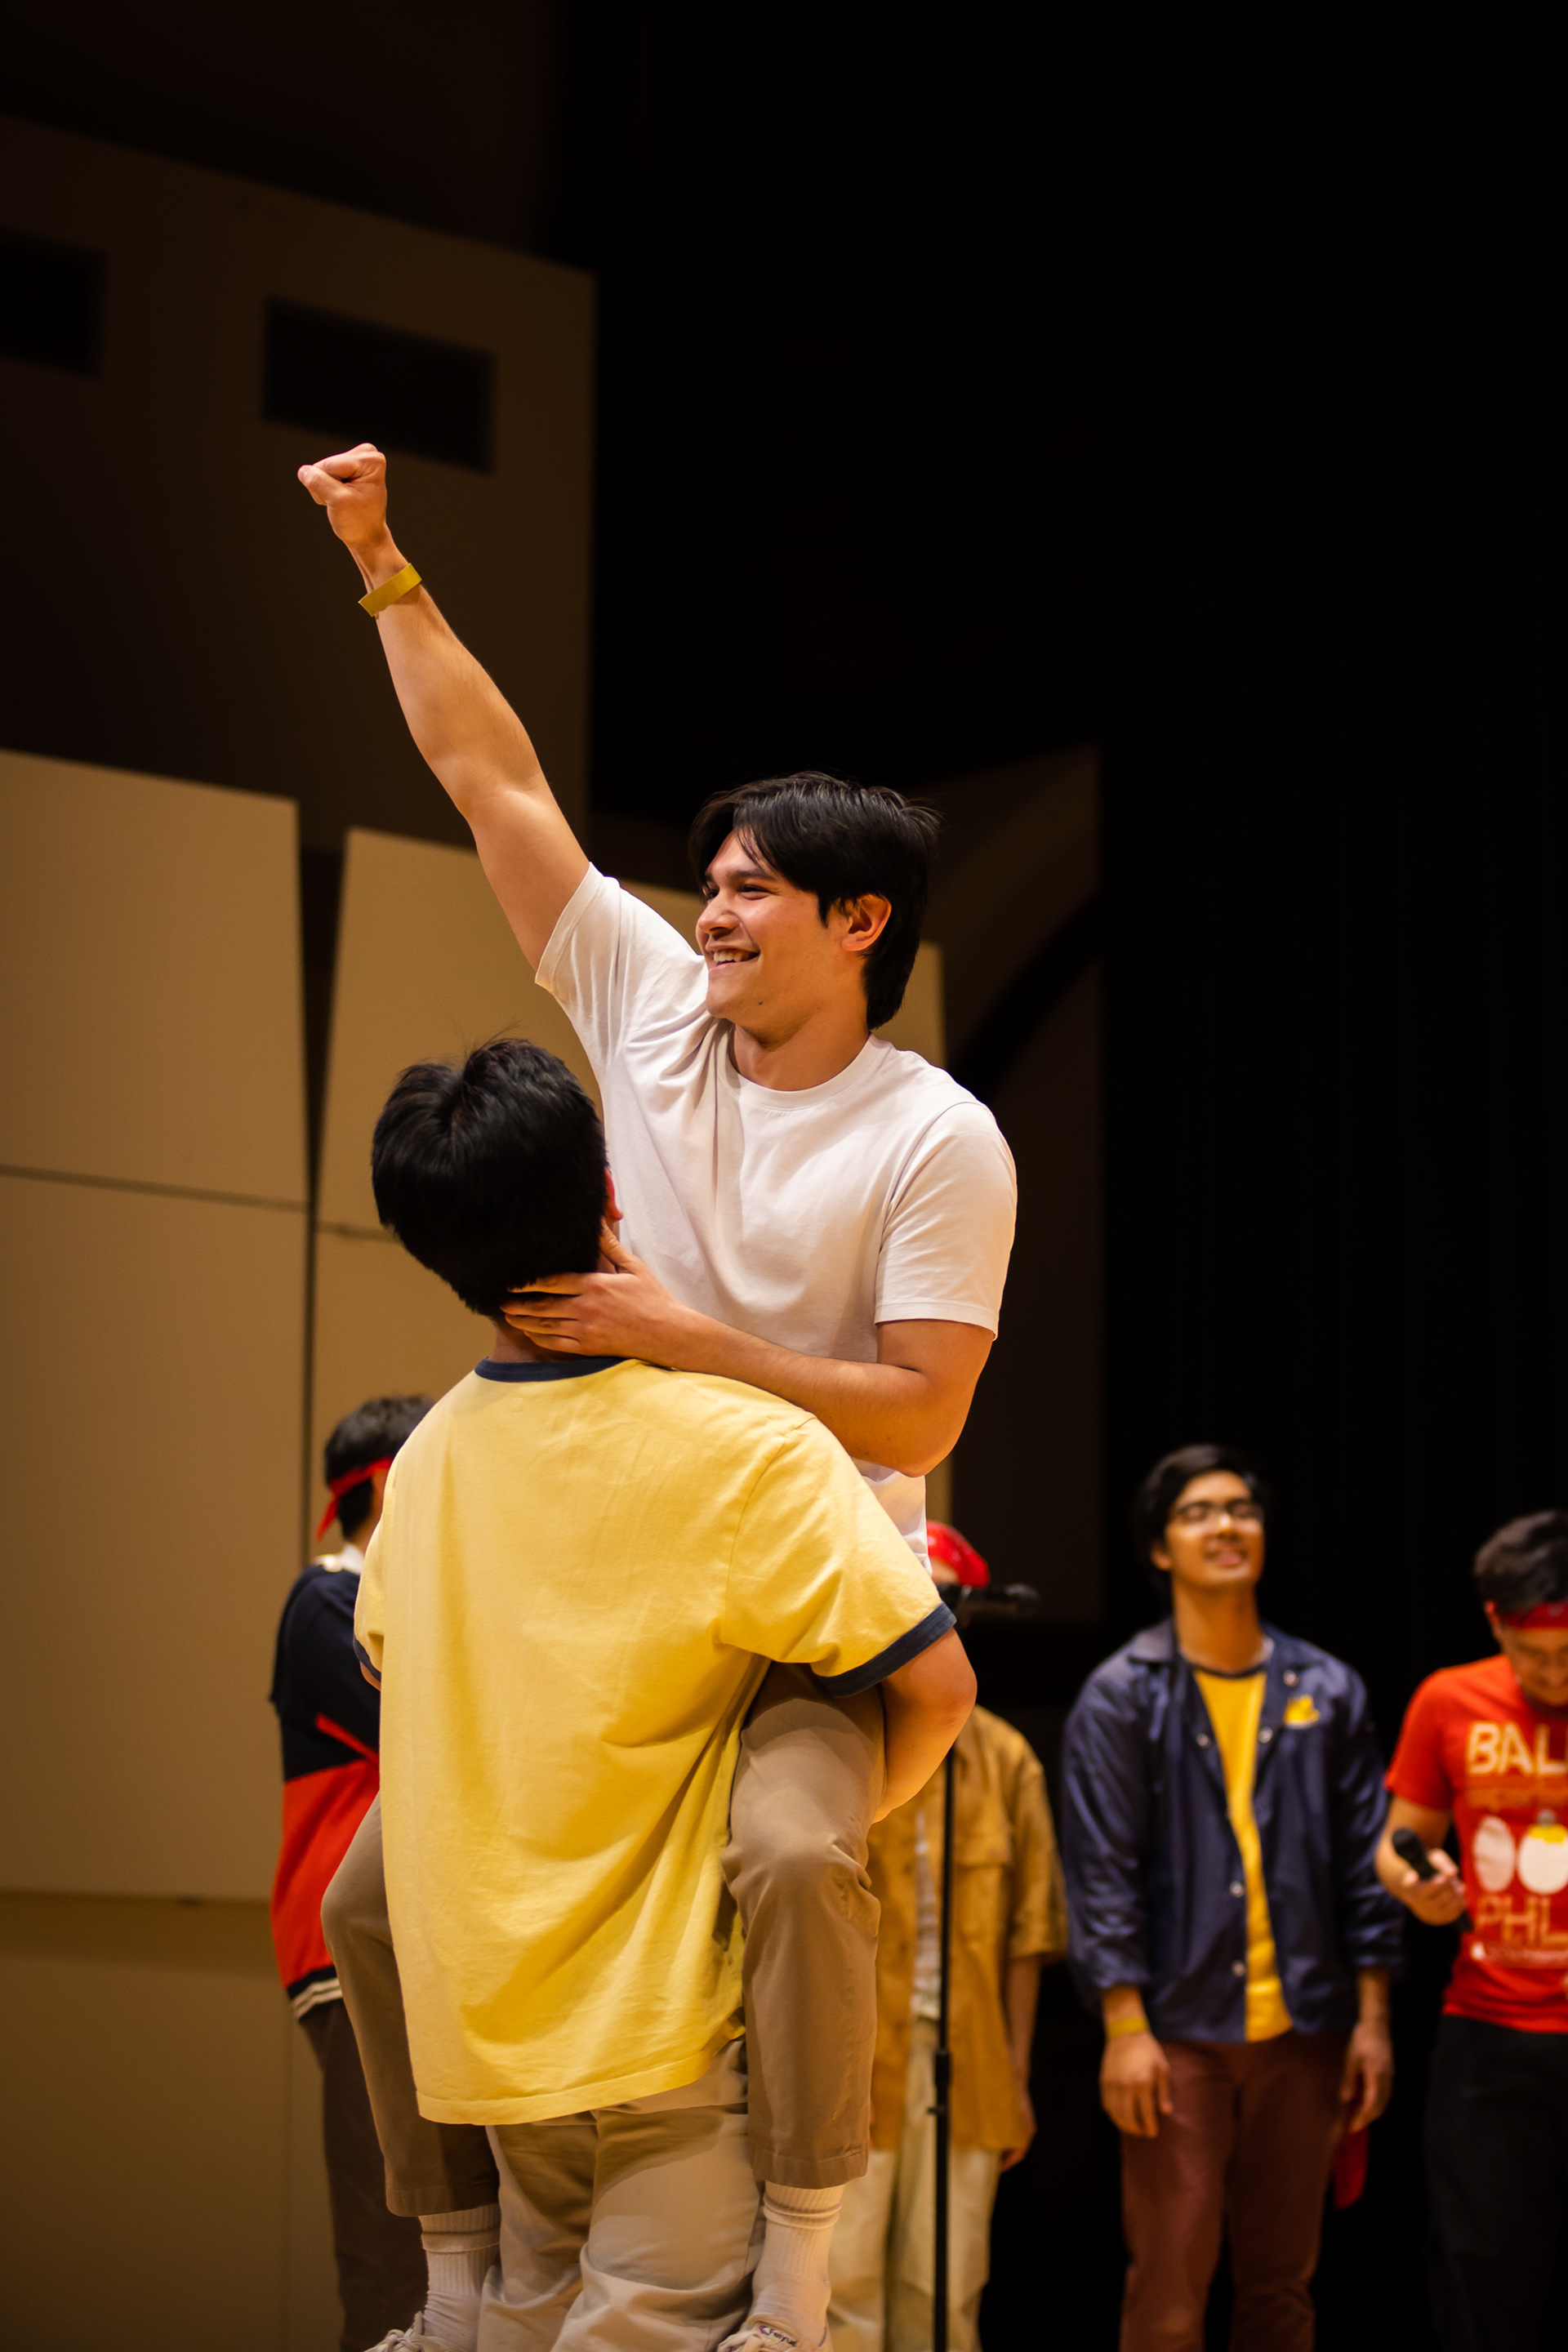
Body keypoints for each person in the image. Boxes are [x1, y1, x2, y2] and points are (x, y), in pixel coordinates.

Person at [298, 443, 1017, 2352]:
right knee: (367, 1897)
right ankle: (452, 2265)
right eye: (707, 883)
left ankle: (798, 2246)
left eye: (752, 892)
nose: (706, 914)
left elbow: (919, 1423)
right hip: (589, 1560)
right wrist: (384, 562)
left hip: (794, 1599)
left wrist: (681, 1336)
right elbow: (490, 775)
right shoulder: (645, 1002)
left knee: (788, 1851)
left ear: (858, 925)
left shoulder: (938, 1138)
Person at [354, 1036, 976, 2350]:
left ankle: (448, 2280)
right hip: (672, 2044)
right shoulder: (747, 1447)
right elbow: (938, 1689)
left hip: (498, 2049)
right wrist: (841, 1822)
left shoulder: (423, 1467)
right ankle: (797, 2279)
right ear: (612, 1200)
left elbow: (400, 1682)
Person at [1060, 1443, 1403, 2352]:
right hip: (1177, 2036)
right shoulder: (1121, 1696)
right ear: (1160, 1549)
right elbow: (1099, 1872)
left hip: (1308, 2030)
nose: (1226, 1526)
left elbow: (1365, 1865)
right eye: (1199, 1513)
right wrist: (1124, 2026)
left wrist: (1373, 2019)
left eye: (1241, 1510)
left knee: (1284, 2289)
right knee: (1170, 2292)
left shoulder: (1327, 1688)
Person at [827, 1524, 1068, 2352]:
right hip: (858, 2059)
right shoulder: (844, 1740)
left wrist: (1017, 2074)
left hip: (970, 2061)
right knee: (843, 2285)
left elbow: (1031, 1932)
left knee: (946, 2289)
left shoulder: (1006, 1758)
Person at [1378, 1509, 1568, 2352]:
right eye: (1533, 1654)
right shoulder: (1449, 1699)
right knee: (1482, 2274)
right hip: (1489, 2036)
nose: (1553, 1673)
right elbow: (1397, 1841)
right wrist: (1418, 1884)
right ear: (1496, 1623)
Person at [269, 1395, 433, 2351]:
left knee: (454, 2242)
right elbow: (419, 1729)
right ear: (389, 1484)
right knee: (396, 2247)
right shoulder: (328, 1598)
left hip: (419, 1944)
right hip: (356, 1951)